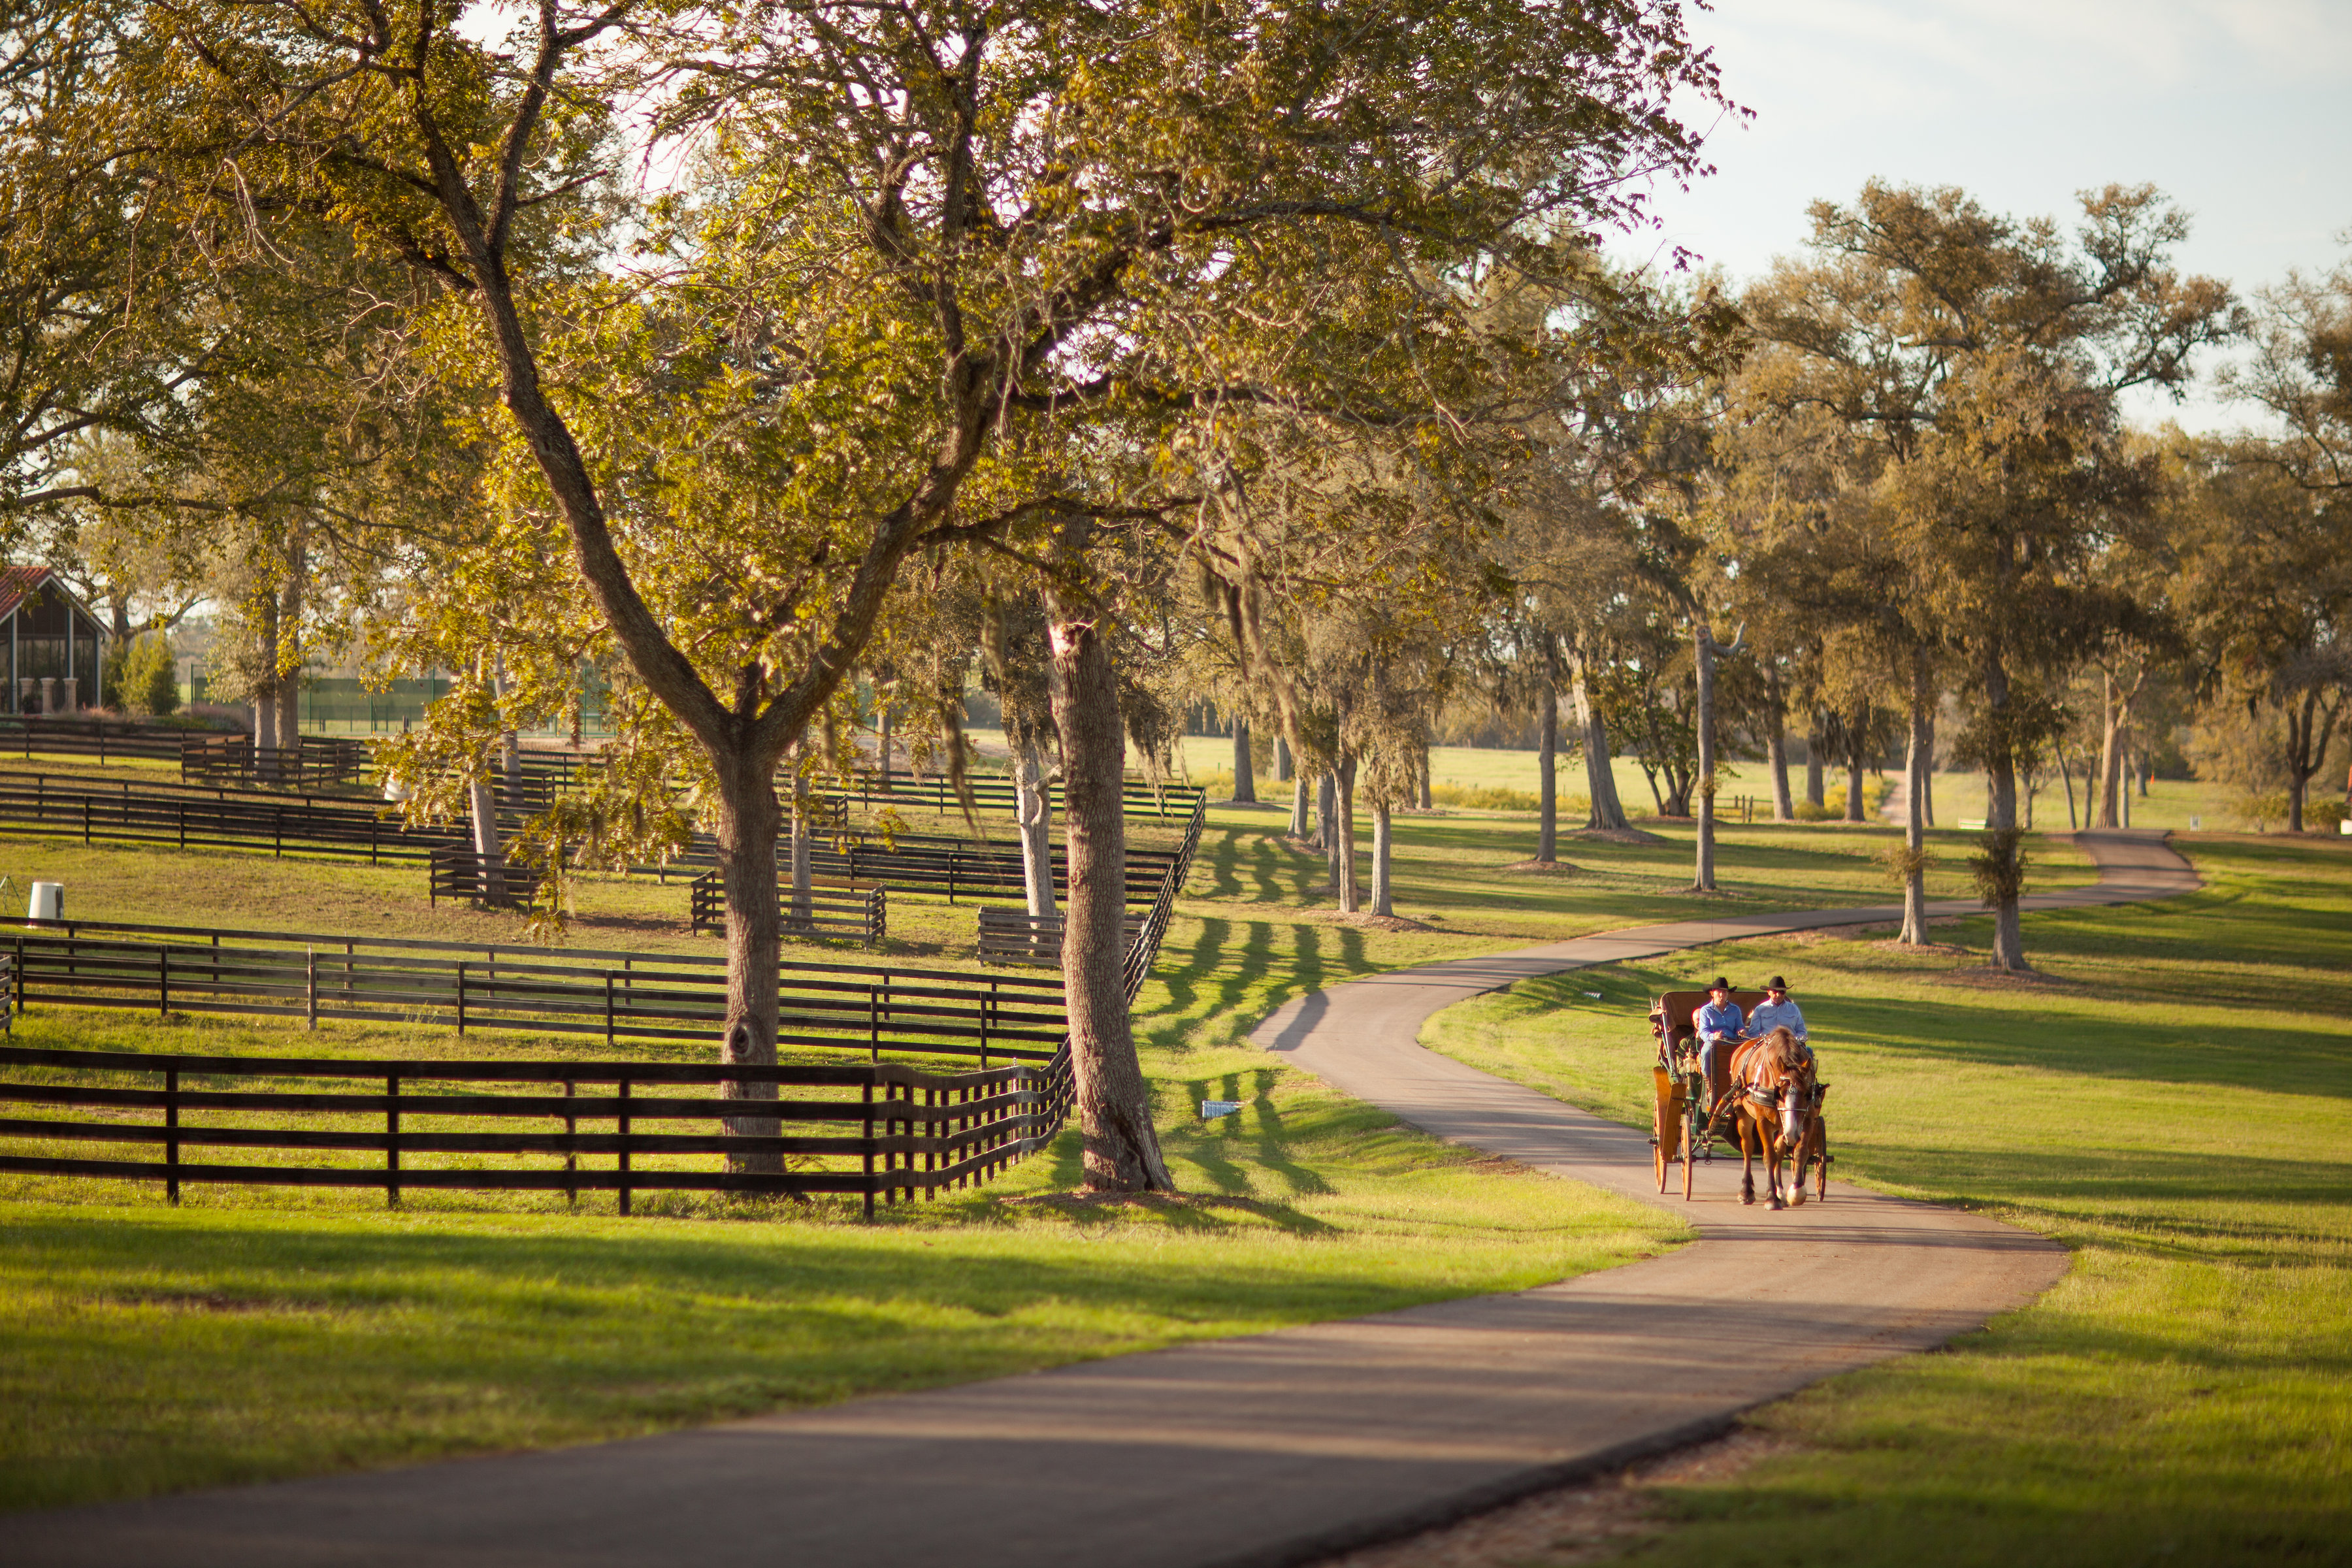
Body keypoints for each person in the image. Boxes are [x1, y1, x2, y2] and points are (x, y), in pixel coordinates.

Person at [1690, 977, 1744, 1112]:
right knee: (1706, 1052)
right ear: (1712, 993)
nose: (1722, 995)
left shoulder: (1735, 1010)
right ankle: (1710, 1087)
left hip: (1732, 1041)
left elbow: (1739, 1027)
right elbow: (1703, 1032)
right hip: (1713, 1043)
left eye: (1725, 992)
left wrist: (1742, 1031)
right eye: (1719, 992)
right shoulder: (1705, 1011)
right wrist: (1713, 1036)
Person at [1743, 977, 1812, 1064]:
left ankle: (1809, 1077)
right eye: (1775, 992)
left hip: (1791, 1048)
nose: (1778, 995)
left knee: (1808, 1053)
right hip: (1767, 1047)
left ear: (1785, 993)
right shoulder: (1760, 1009)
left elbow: (1802, 1031)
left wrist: (1792, 1040)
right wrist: (1766, 1039)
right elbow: (1753, 1034)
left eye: (1782, 992)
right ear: (1769, 992)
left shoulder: (1794, 1009)